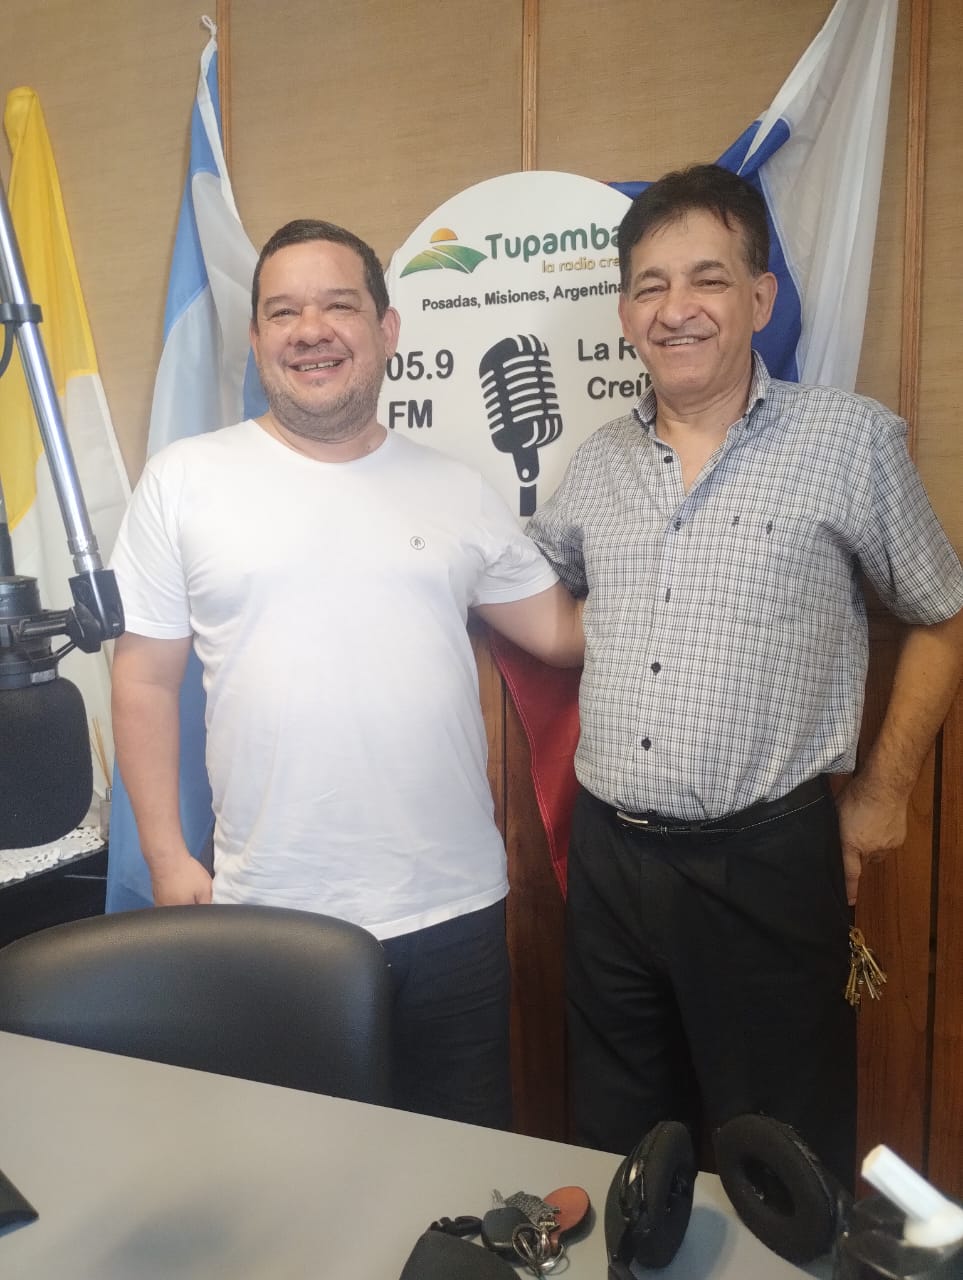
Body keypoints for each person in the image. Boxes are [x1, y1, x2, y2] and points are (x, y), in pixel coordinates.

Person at [527, 164, 963, 1188]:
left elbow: (941, 615)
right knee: (622, 1147)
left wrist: (882, 796)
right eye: (649, 285)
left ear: (759, 298)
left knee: (782, 1163)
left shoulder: (849, 441)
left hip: (767, 865)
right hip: (609, 860)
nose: (675, 307)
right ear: (625, 312)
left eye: (707, 279)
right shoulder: (595, 463)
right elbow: (535, 595)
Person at [110, 218, 583, 1130]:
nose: (310, 330)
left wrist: (690, 585)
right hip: (272, 913)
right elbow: (144, 680)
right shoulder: (185, 480)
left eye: (337, 305)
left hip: (454, 907)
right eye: (283, 312)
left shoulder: (457, 489)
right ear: (257, 338)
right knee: (297, 1168)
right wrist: (167, 856)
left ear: (386, 329)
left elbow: (560, 632)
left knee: (460, 1162)